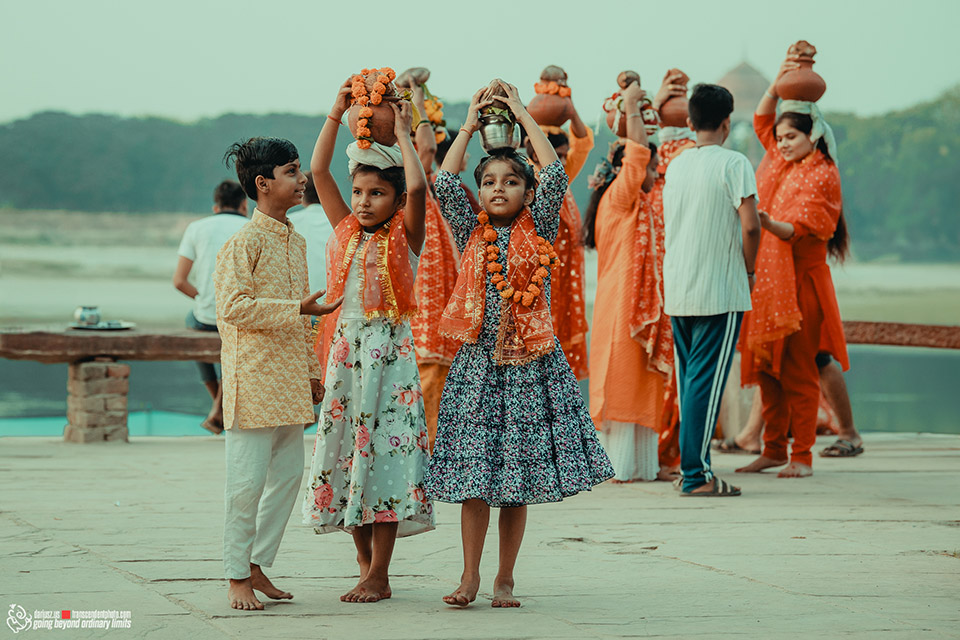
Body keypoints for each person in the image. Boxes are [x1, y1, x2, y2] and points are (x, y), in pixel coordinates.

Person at [426, 81, 614, 608]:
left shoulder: (542, 226)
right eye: (488, 182)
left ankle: (504, 578)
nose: (498, 189)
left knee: (516, 480)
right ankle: (468, 577)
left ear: (527, 195)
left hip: (532, 368)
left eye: (511, 182)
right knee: (473, 480)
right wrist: (468, 124)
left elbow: (554, 172)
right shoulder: (472, 233)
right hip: (478, 366)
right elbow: (444, 182)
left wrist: (518, 114)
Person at [302, 74, 435, 604]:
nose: (362, 201)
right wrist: (335, 111)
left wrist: (404, 128)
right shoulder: (344, 230)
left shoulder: (407, 234)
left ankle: (380, 571)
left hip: (391, 361)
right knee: (344, 458)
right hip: (346, 356)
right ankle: (364, 565)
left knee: (383, 460)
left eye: (377, 193)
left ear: (395, 199)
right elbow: (317, 170)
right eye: (358, 192)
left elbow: (421, 186)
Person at [214, 137, 341, 610]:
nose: (302, 178)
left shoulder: (295, 239)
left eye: (299, 169)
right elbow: (233, 308)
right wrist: (296, 308)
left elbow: (306, 318)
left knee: (287, 478)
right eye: (291, 171)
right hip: (253, 380)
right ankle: (235, 576)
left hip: (288, 381)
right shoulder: (241, 243)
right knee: (245, 485)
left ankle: (257, 564)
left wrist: (312, 371)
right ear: (263, 184)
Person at [736, 55, 851, 478]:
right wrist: (782, 80)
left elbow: (801, 229)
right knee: (767, 371)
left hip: (800, 282)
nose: (780, 143)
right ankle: (772, 449)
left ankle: (801, 455)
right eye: (779, 138)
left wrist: (765, 222)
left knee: (799, 371)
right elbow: (763, 118)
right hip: (767, 282)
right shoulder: (782, 161)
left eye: (790, 137)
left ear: (813, 134)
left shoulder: (823, 173)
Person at [662, 83, 761, 497]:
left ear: (688, 122)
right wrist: (750, 270)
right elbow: (752, 225)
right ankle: (696, 475)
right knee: (706, 382)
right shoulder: (735, 163)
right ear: (726, 123)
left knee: (690, 382)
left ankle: (692, 469)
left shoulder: (678, 164)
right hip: (719, 289)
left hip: (680, 287)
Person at [585, 81, 667, 482]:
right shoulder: (620, 195)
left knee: (640, 380)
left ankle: (641, 468)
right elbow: (639, 153)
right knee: (622, 378)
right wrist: (632, 108)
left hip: (635, 306)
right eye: (653, 168)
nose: (656, 172)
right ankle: (618, 467)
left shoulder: (640, 201)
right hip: (622, 308)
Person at [406, 84, 462, 452]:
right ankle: (428, 456)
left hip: (431, 306)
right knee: (427, 376)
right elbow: (426, 147)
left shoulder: (425, 190)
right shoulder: (411, 184)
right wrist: (416, 98)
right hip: (425, 308)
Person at [523, 91, 592, 380]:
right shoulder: (530, 183)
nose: (563, 162)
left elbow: (584, 144)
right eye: (558, 156)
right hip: (539, 280)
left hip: (563, 280)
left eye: (564, 157)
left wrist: (570, 108)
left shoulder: (562, 182)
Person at [173, 180, 249, 434]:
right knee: (240, 339)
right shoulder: (251, 227)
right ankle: (224, 406)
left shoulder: (196, 228)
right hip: (240, 316)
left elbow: (179, 282)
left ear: (215, 207)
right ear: (244, 205)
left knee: (190, 322)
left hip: (205, 318)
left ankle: (219, 405)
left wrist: (204, 298)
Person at [287, 172, 333, 295]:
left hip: (300, 302)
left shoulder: (287, 223)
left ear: (302, 194)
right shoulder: (342, 223)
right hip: (335, 300)